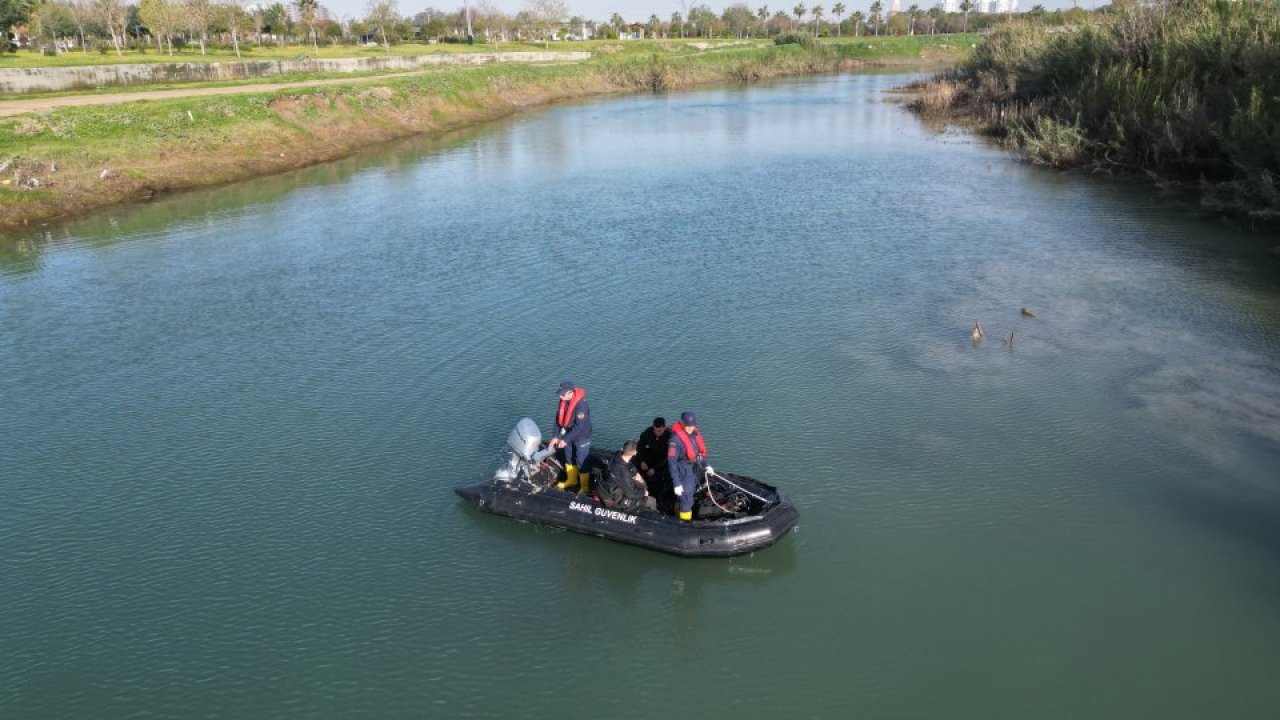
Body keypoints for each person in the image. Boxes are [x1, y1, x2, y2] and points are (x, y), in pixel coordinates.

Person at [549, 380, 592, 495]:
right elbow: (558, 420)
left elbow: (580, 426)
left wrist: (565, 439)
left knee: (581, 461)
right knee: (568, 457)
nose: (560, 396)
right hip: (568, 435)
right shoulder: (563, 401)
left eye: (562, 394)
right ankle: (572, 480)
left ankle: (584, 487)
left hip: (581, 437)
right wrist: (555, 436)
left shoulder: (581, 405)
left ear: (570, 392)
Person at [667, 411, 711, 522]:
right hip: (683, 470)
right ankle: (684, 524)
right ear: (682, 423)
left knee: (687, 497)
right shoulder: (675, 441)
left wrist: (707, 465)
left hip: (695, 468)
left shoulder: (694, 434)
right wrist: (677, 483)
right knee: (686, 501)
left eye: (692, 425)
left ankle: (677, 514)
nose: (691, 428)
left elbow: (699, 453)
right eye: (688, 426)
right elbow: (672, 462)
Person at [597, 441, 657, 512]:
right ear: (635, 453)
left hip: (609, 484)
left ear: (623, 448)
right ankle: (653, 513)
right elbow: (631, 494)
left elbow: (628, 467)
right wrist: (644, 492)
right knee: (652, 501)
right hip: (617, 497)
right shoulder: (624, 472)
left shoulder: (615, 455)